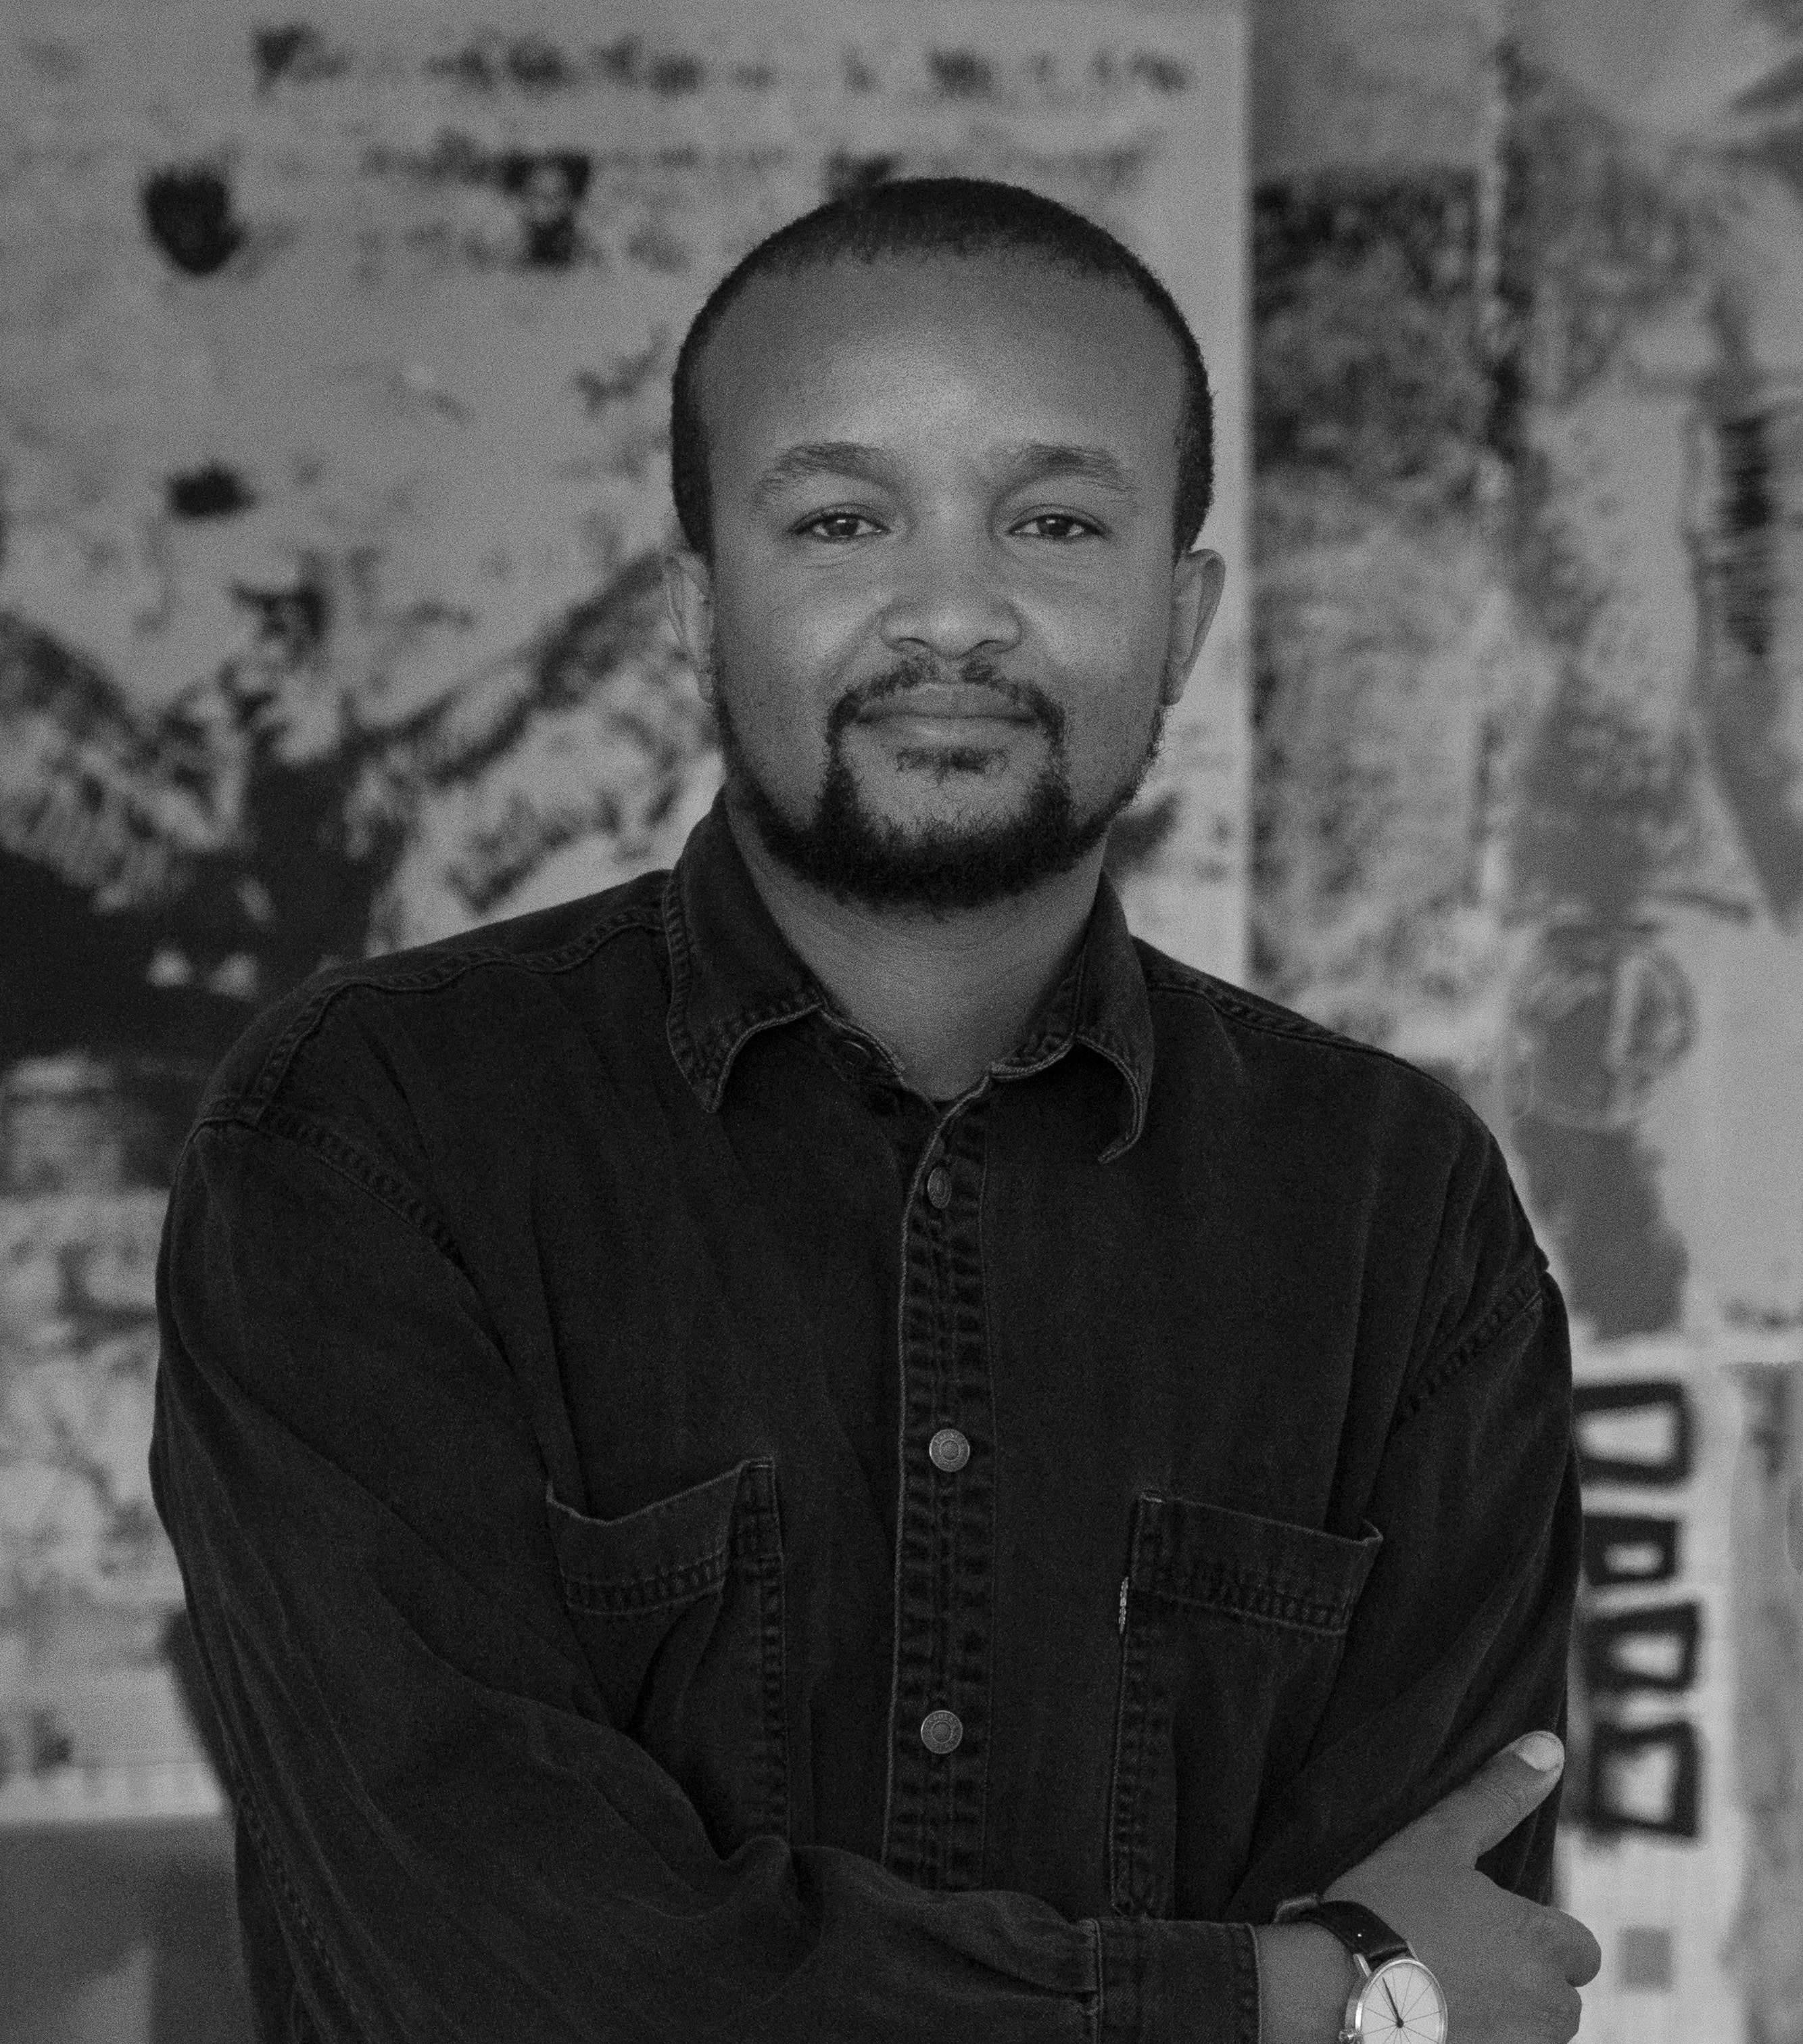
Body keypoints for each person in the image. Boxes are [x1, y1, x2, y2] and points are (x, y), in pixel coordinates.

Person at [151, 175, 1601, 2043]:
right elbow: (485, 1971)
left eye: (1054, 522)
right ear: (695, 608)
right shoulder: (368, 1139)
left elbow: (1446, 1969)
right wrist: (1269, 1999)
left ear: (1181, 619)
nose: (952, 615)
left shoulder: (1396, 1216)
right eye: (842, 520)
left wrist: (1344, 1999)